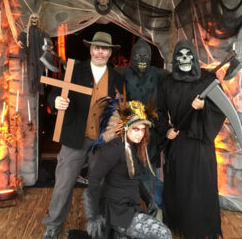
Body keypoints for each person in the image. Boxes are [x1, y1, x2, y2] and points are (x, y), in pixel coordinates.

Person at [42, 31, 125, 239]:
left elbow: (123, 106)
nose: (100, 51)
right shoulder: (75, 71)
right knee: (64, 183)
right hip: (74, 137)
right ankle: (53, 225)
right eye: (96, 47)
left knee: (101, 183)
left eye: (104, 48)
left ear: (109, 52)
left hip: (102, 141)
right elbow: (54, 93)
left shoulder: (117, 77)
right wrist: (56, 102)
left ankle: (100, 226)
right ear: (90, 49)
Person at [156, 40, 226, 239]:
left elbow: (220, 109)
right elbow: (159, 112)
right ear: (175, 59)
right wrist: (167, 129)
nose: (184, 59)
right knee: (181, 187)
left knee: (201, 187)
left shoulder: (207, 81)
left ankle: (201, 228)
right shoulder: (167, 83)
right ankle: (181, 225)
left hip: (202, 143)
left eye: (188, 55)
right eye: (180, 55)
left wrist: (204, 107)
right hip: (179, 142)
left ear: (194, 57)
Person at [83, 99, 172, 239]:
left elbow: (135, 179)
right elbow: (94, 179)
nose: (140, 134)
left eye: (143, 130)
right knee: (163, 234)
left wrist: (149, 200)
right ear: (125, 127)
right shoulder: (114, 148)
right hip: (116, 212)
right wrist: (94, 216)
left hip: (130, 207)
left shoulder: (132, 146)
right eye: (135, 129)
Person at [116, 38, 167, 206]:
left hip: (150, 130)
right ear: (132, 56)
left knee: (148, 168)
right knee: (128, 166)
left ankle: (151, 207)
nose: (142, 59)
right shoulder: (122, 72)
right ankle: (129, 207)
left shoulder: (158, 73)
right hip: (129, 129)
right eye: (138, 55)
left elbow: (181, 76)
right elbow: (100, 74)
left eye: (146, 55)